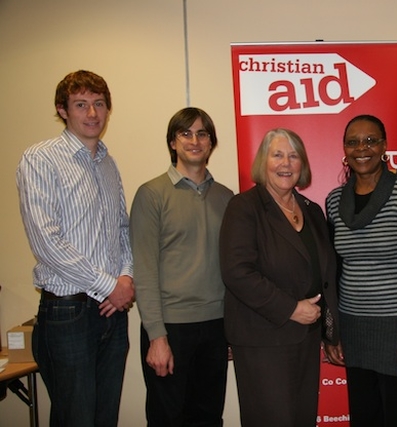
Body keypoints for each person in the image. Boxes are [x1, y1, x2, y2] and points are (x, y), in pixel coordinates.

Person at [16, 70, 135, 427]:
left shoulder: (108, 164)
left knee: (105, 417)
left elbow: (123, 230)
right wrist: (109, 285)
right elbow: (47, 241)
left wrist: (126, 278)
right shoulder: (40, 159)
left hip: (113, 314)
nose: (92, 113)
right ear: (62, 110)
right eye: (81, 104)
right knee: (76, 419)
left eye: (99, 104)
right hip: (68, 313)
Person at [219, 128, 339, 427]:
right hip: (262, 340)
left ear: (302, 165)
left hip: (306, 340)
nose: (286, 163)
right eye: (277, 155)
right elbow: (237, 273)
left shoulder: (312, 211)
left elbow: (325, 274)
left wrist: (329, 331)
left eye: (294, 156)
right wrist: (291, 309)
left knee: (302, 419)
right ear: (264, 161)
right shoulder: (243, 207)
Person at [324, 114, 397, 427]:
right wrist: (332, 331)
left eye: (371, 140)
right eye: (353, 141)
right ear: (345, 149)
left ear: (385, 146)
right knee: (365, 419)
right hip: (354, 330)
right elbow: (334, 272)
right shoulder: (334, 202)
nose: (362, 148)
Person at [129, 107, 233, 426]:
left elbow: (232, 270)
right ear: (173, 143)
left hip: (216, 327)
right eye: (185, 133)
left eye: (202, 134)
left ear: (211, 143)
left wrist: (231, 331)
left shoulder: (227, 198)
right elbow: (144, 271)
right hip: (171, 328)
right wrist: (156, 336)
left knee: (208, 417)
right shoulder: (151, 194)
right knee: (167, 419)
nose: (195, 140)